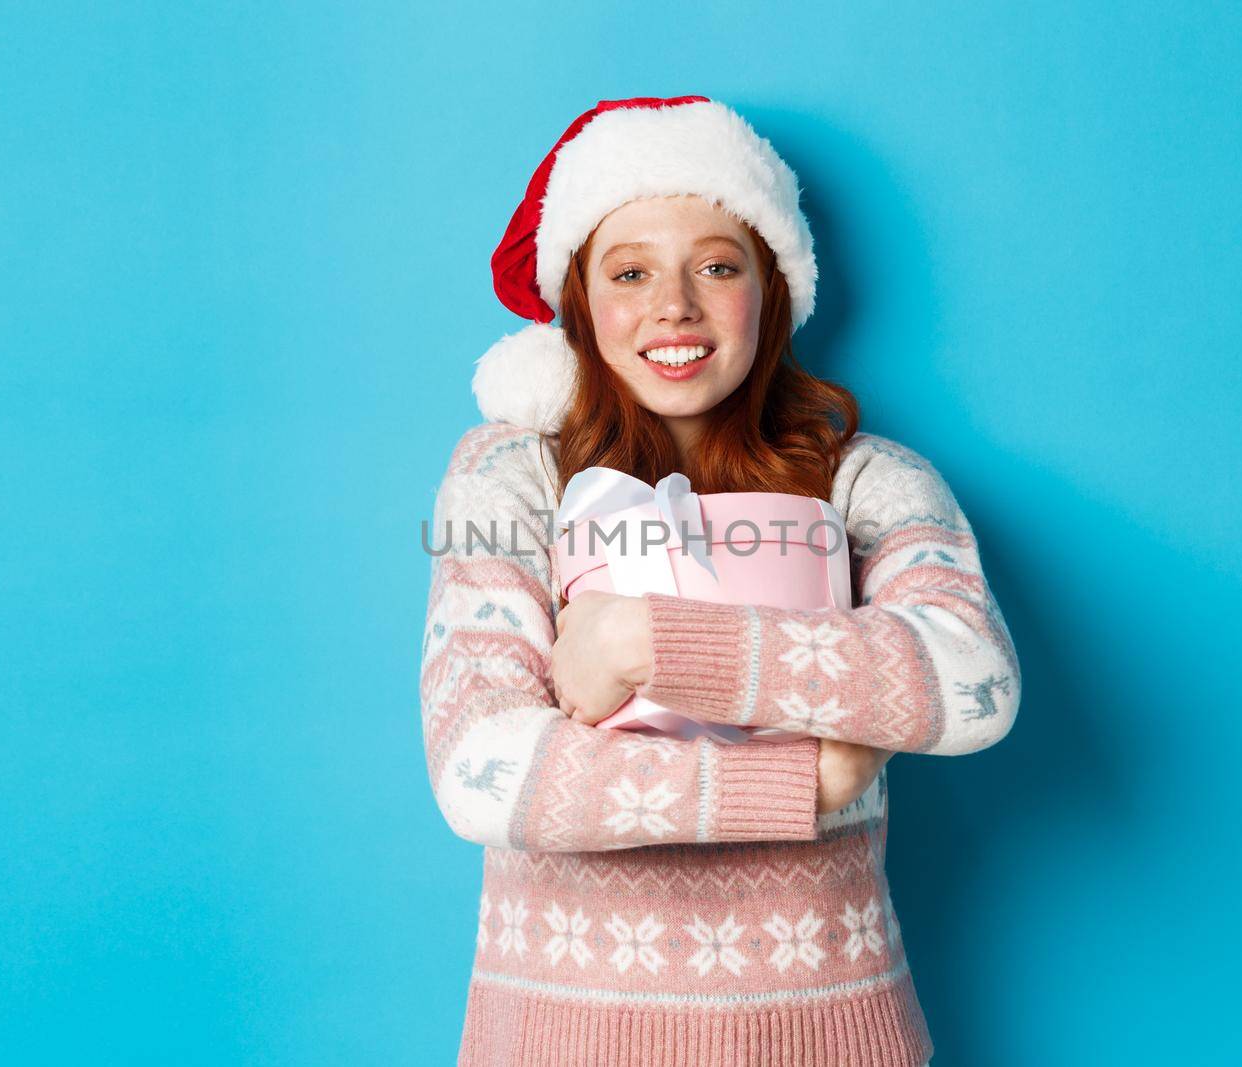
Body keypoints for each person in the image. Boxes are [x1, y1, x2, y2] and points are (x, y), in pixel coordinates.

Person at [421, 95, 1021, 1066]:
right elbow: (483, 770)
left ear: (770, 287)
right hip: (560, 1036)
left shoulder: (870, 480)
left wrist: (643, 642)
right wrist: (801, 780)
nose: (673, 306)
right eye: (629, 271)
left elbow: (969, 682)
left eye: (715, 264)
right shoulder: (506, 479)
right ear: (579, 299)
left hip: (829, 1028)